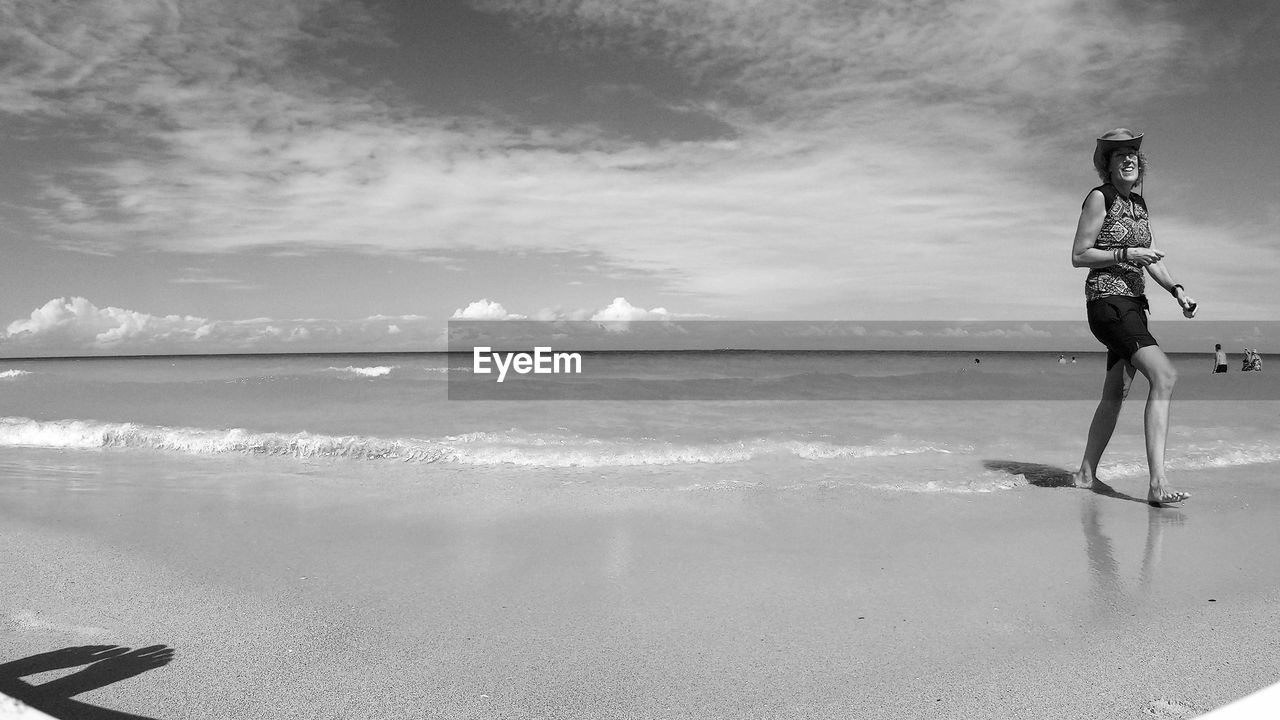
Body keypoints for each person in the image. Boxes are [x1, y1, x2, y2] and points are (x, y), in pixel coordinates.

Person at [1070, 128, 1197, 506]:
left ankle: (1084, 474)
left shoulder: (1139, 205)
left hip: (1134, 305)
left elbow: (1152, 257)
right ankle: (1157, 484)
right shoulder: (1099, 198)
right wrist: (1126, 254)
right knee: (1165, 375)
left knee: (1116, 391)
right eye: (1119, 155)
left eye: (1133, 155)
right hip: (1107, 301)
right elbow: (1079, 254)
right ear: (1106, 165)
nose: (1129, 159)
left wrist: (1177, 291)